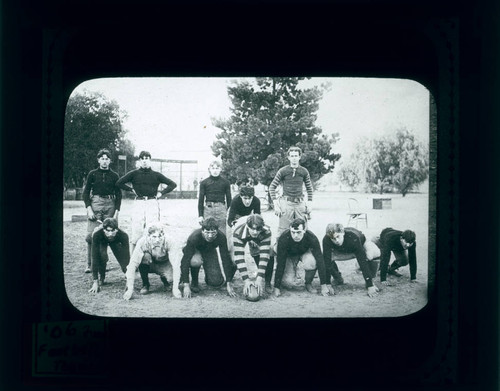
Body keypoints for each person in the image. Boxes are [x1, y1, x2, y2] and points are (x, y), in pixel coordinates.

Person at [116, 151, 177, 252]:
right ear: (139, 161)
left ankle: (152, 258)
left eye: (146, 159)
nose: (144, 161)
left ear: (150, 160)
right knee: (136, 230)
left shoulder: (156, 175)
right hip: (139, 203)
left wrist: (161, 193)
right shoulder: (134, 174)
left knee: (153, 229)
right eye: (142, 159)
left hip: (152, 203)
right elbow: (119, 183)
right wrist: (131, 189)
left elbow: (172, 184)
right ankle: (134, 261)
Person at [82, 148, 122, 273]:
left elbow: (119, 194)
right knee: (91, 235)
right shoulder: (92, 174)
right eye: (102, 159)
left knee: (108, 233)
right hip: (96, 203)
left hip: (110, 204)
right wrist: (89, 208)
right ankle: (90, 264)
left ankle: (103, 263)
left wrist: (116, 212)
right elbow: (86, 192)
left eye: (107, 159)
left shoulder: (114, 175)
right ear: (98, 160)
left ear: (110, 161)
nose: (104, 161)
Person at [273, 218, 332, 297]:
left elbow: (320, 259)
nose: (296, 235)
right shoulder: (283, 238)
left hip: (304, 253)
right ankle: (290, 274)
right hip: (289, 256)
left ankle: (308, 283)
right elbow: (280, 263)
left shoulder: (311, 237)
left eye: (299, 232)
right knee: (288, 283)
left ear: (304, 230)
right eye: (293, 232)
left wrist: (323, 285)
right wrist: (276, 287)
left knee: (312, 262)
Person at [180, 217, 236, 298]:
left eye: (213, 233)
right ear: (202, 231)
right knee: (196, 261)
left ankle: (208, 274)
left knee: (216, 283)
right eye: (207, 232)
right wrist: (186, 285)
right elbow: (185, 260)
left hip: (209, 251)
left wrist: (228, 282)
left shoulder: (221, 237)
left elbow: (225, 259)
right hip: (195, 250)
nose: (210, 236)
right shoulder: (194, 237)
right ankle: (194, 281)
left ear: (217, 231)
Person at [123, 222, 181, 300]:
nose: (157, 240)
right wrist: (130, 289)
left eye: (160, 236)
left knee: (172, 279)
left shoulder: (170, 241)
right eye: (154, 237)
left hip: (164, 263)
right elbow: (132, 265)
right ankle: (145, 284)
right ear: (148, 236)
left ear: (163, 235)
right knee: (142, 257)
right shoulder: (142, 242)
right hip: (149, 263)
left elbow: (176, 265)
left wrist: (175, 288)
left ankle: (165, 280)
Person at [322, 223, 380, 297]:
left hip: (359, 244)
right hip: (342, 249)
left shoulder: (353, 237)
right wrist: (328, 284)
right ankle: (338, 278)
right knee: (325, 257)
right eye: (333, 239)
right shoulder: (326, 239)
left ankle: (371, 280)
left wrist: (370, 285)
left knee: (373, 254)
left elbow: (362, 261)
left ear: (343, 233)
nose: (336, 240)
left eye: (338, 236)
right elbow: (326, 262)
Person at [269, 146, 314, 238]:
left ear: (299, 157)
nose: (294, 158)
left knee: (303, 229)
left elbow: (309, 189)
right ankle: (279, 250)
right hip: (286, 203)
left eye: (296, 156)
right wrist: (276, 204)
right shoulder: (283, 171)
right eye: (292, 156)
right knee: (283, 230)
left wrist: (309, 203)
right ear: (288, 157)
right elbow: (272, 187)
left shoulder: (304, 171)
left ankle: (303, 250)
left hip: (300, 203)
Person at [232, 214, 273, 298]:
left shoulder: (266, 232)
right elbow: (239, 257)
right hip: (240, 231)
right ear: (247, 226)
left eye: (258, 229)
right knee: (233, 257)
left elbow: (264, 256)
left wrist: (259, 279)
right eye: (252, 229)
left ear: (262, 227)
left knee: (271, 251)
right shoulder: (238, 232)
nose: (255, 232)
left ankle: (267, 282)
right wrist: (246, 280)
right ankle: (228, 281)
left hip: (257, 237)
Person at [88, 217, 130, 294]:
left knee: (120, 255)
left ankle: (127, 276)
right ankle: (102, 277)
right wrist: (95, 281)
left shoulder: (123, 235)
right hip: (100, 240)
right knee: (102, 255)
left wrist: (129, 279)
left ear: (117, 230)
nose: (110, 234)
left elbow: (126, 258)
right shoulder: (97, 234)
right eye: (108, 231)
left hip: (115, 241)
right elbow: (94, 257)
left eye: (113, 231)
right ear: (104, 230)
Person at [197, 160, 232, 236]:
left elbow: (229, 199)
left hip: (221, 209)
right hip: (208, 209)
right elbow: (201, 200)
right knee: (208, 232)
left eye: (217, 168)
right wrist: (200, 215)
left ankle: (222, 247)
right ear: (209, 169)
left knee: (222, 232)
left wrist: (230, 213)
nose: (215, 170)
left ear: (220, 169)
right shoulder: (204, 183)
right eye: (213, 168)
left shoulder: (225, 182)